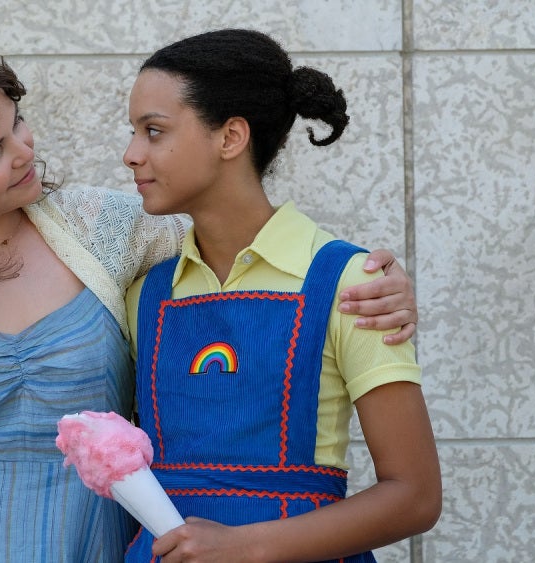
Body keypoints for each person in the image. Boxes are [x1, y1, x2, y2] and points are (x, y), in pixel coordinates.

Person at [0, 49, 420, 563]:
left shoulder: (99, 227)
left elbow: (234, 250)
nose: (23, 151)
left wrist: (376, 279)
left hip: (106, 545)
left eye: (17, 124)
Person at [121, 29, 442, 563]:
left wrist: (242, 547)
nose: (131, 154)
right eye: (134, 132)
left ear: (230, 137)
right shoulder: (145, 293)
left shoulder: (352, 285)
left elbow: (415, 496)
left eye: (154, 131)